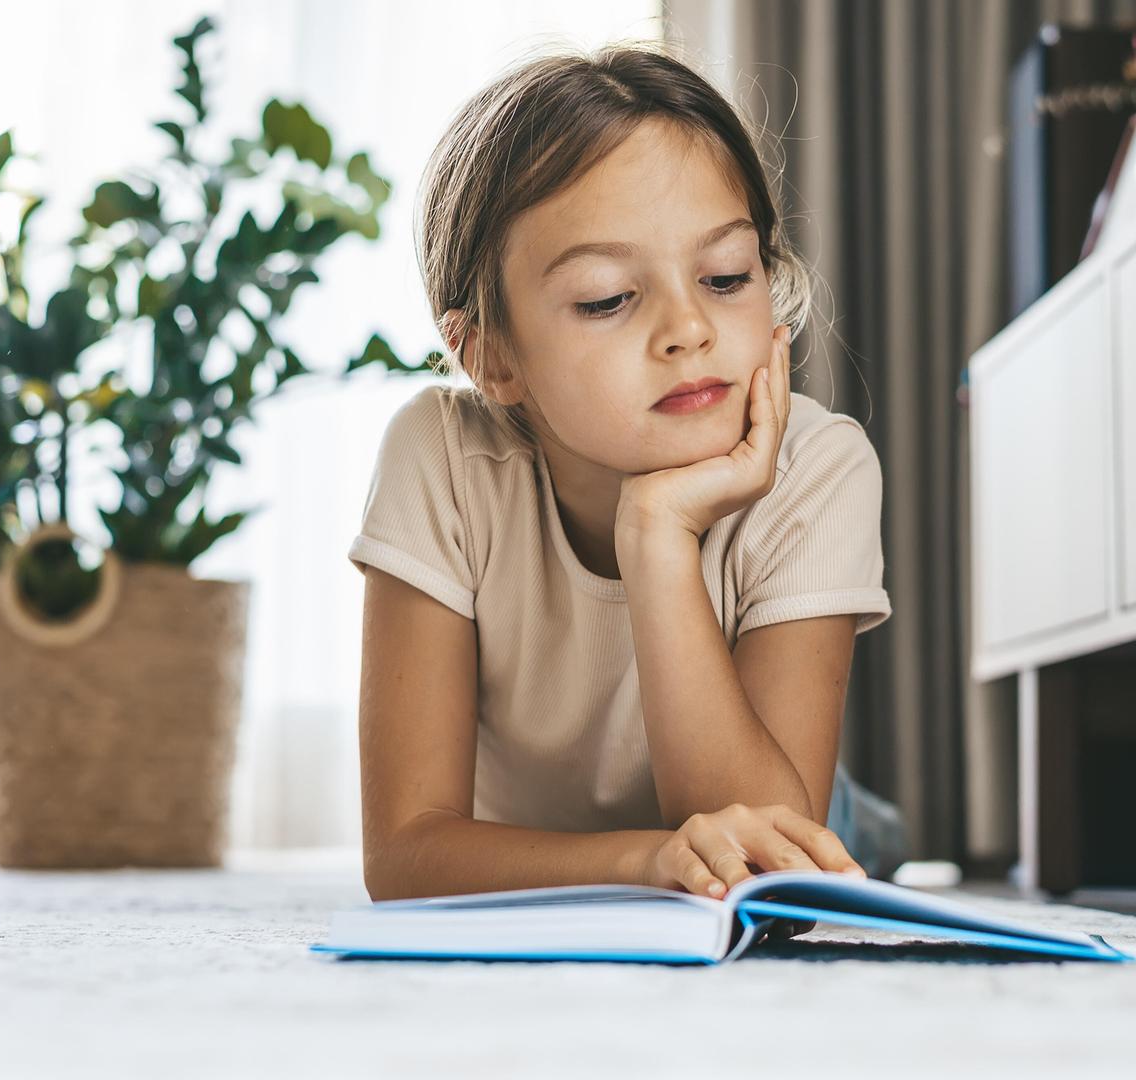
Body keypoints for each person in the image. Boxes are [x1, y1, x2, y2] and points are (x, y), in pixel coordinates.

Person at [353, 40, 904, 904]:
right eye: (609, 297)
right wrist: (645, 859)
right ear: (491, 356)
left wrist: (657, 536)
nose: (688, 328)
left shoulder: (818, 464)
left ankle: (871, 818)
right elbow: (404, 857)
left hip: (784, 785)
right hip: (543, 845)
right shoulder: (443, 458)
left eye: (726, 275)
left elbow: (768, 863)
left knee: (848, 832)